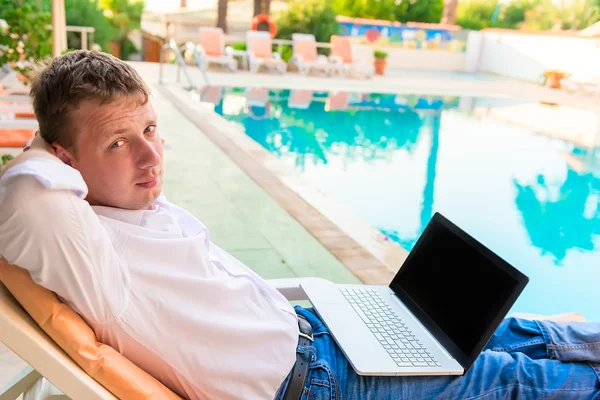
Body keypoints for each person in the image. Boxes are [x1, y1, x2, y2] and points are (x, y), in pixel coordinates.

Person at [0, 50, 598, 400]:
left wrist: (100, 142)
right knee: (524, 380)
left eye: (151, 129)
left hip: (313, 328)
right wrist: (52, 147)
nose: (152, 157)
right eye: (118, 143)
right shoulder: (83, 241)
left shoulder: (125, 208)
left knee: (524, 331)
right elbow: (20, 192)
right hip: (320, 382)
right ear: (64, 158)